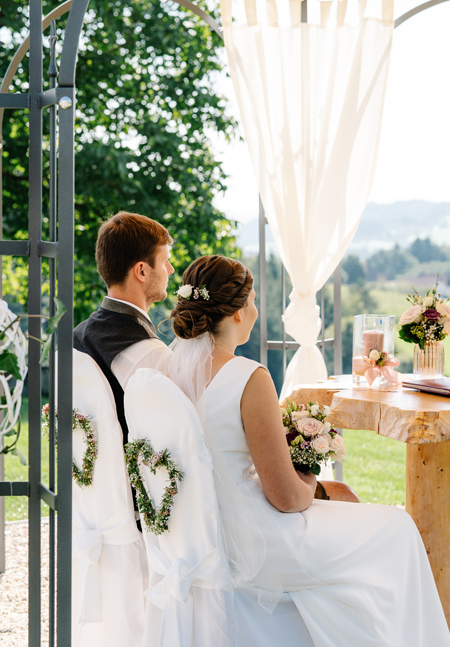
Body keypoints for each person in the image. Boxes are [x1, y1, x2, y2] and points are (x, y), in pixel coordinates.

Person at [159, 254, 450, 647]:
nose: (257, 310)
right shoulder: (249, 377)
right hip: (256, 543)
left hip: (197, 538)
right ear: (239, 313)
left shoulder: (164, 374)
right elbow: (285, 498)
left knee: (357, 513)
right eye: (254, 301)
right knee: (397, 528)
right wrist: (309, 476)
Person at [74, 211, 174, 446]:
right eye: (164, 261)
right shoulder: (149, 352)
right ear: (141, 271)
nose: (169, 270)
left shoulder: (77, 335)